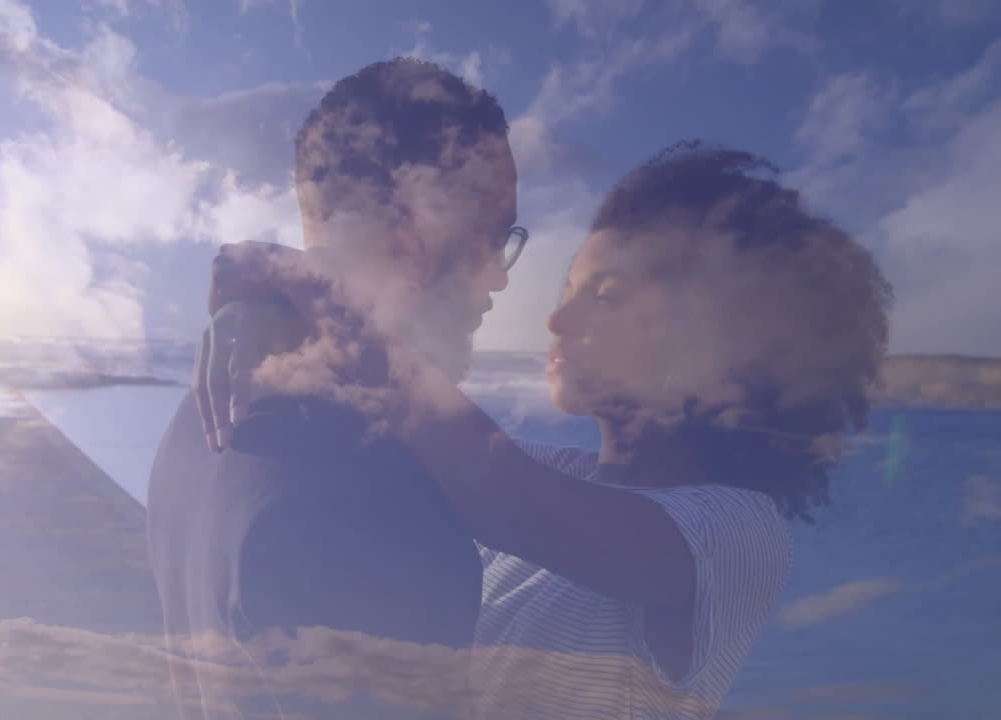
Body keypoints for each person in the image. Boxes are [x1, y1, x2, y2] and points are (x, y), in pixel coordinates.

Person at [194, 142, 894, 718]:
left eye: (608, 297)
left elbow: (489, 484)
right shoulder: (563, 474)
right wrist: (268, 323)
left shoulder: (739, 533)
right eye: (567, 292)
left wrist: (319, 293)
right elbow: (401, 436)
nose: (557, 324)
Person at [147, 57, 525, 719]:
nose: (498, 278)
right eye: (489, 238)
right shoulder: (364, 491)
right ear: (410, 227)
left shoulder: (200, 420)